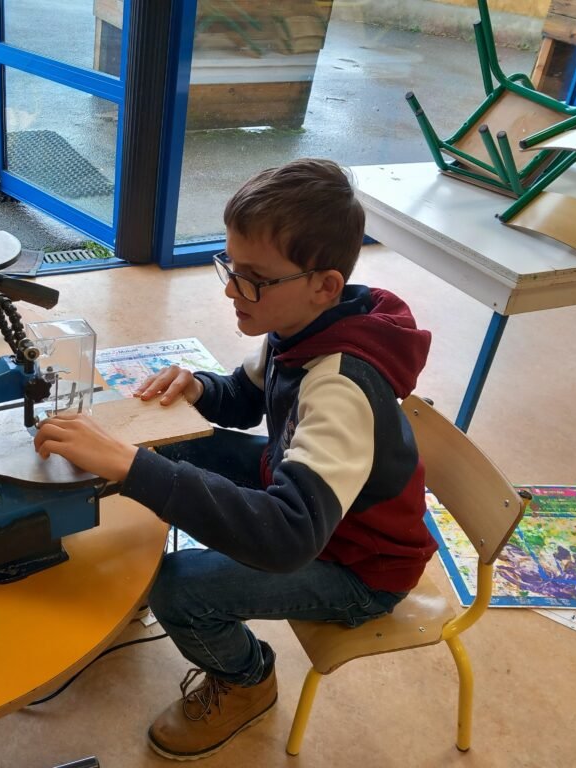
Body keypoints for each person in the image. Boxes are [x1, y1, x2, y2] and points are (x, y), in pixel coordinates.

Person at [33, 157, 437, 761]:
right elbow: (246, 399)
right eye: (230, 266)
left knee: (180, 590)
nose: (230, 289)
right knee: (174, 446)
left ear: (325, 285)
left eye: (253, 278)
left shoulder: (340, 385)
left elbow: (288, 538)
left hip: (358, 566)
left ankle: (248, 681)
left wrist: (133, 468)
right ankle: (137, 558)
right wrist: (198, 386)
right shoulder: (302, 325)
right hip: (308, 502)